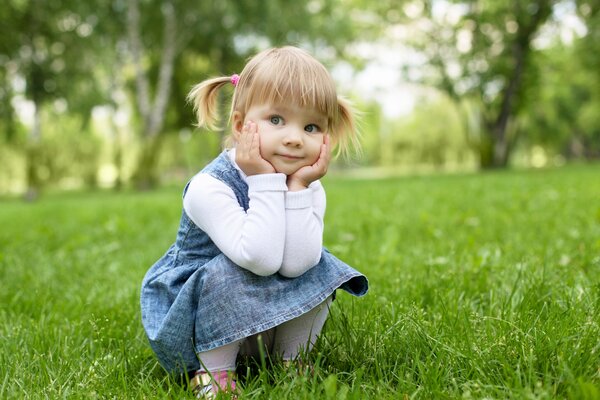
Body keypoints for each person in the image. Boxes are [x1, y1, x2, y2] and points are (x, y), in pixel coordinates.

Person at [140, 46, 368, 398]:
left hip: (257, 315)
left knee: (320, 262)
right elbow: (257, 259)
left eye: (310, 126)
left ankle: (290, 359)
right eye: (276, 120)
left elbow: (298, 265)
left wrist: (295, 189)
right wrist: (263, 180)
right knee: (230, 269)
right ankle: (214, 374)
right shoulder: (209, 186)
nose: (294, 137)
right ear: (239, 125)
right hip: (194, 322)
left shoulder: (305, 183)